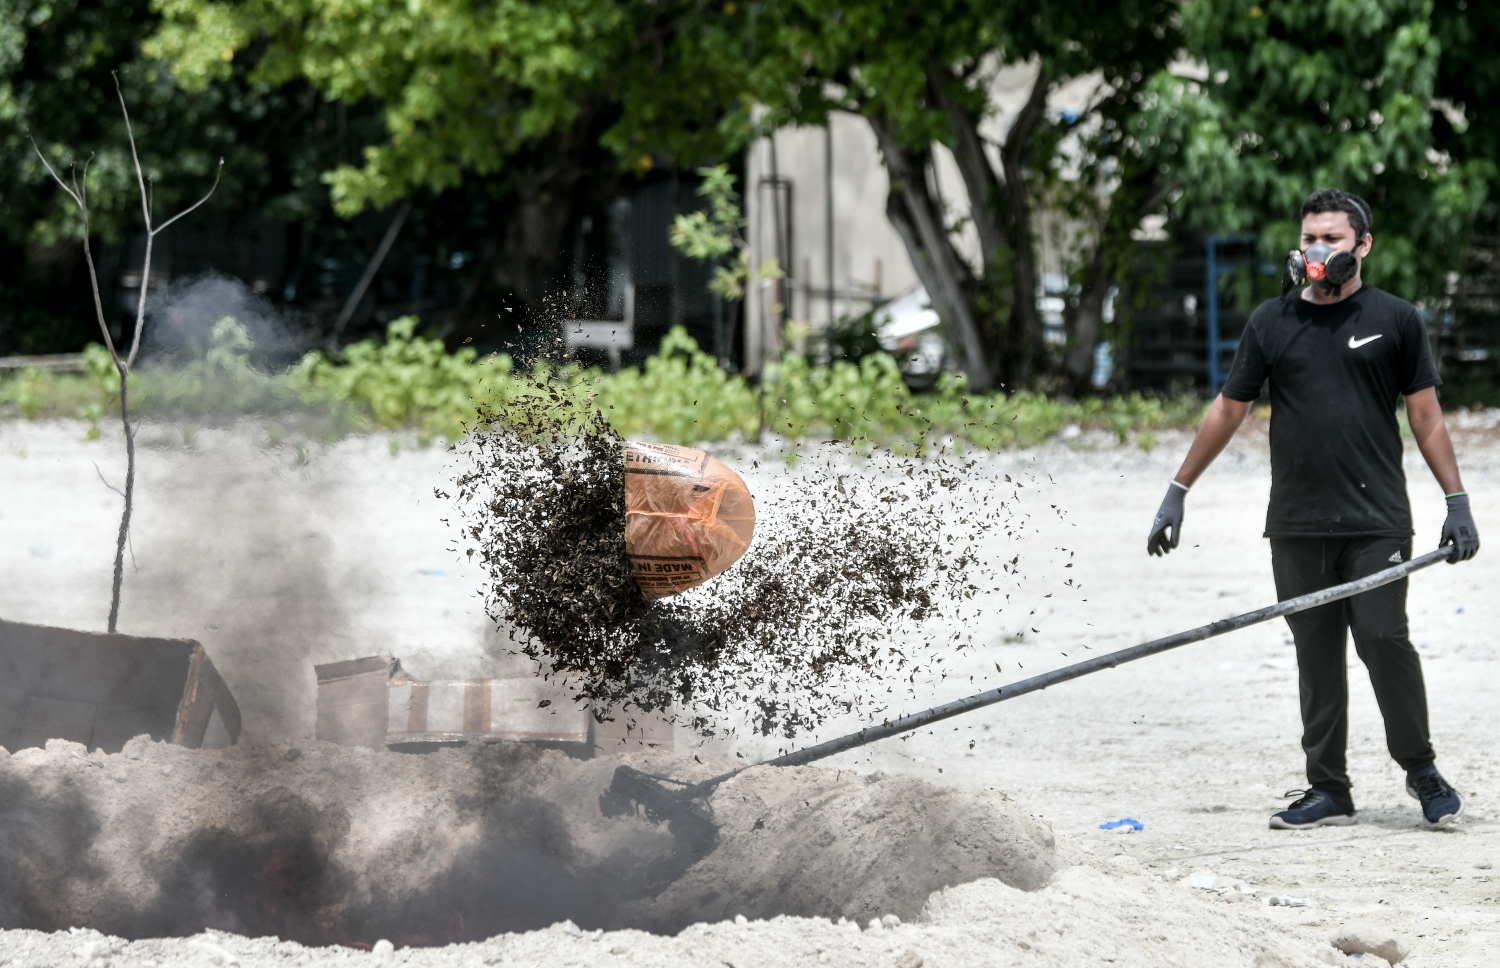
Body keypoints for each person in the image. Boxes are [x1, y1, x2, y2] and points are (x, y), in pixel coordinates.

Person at [1146, 188, 1479, 830]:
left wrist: (1457, 502)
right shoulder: (1272, 322)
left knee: (1384, 640)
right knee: (1315, 653)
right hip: (1296, 522)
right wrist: (1178, 490)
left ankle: (1421, 770)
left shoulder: (1397, 318)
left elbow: (1427, 418)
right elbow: (1228, 409)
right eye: (1309, 239)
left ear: (1363, 245)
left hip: (1375, 519)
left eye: (1331, 238)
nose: (1317, 250)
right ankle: (1328, 788)